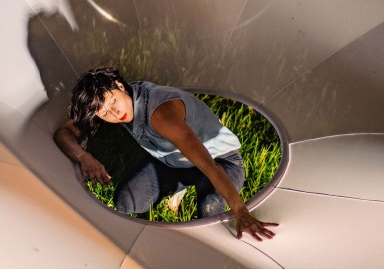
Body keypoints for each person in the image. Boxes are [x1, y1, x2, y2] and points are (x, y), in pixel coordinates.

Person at [53, 66, 278, 241]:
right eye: (104, 113)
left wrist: (241, 212)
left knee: (208, 211)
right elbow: (63, 134)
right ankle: (182, 187)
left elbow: (209, 166)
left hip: (220, 161)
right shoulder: (115, 102)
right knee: (125, 201)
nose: (115, 112)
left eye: (113, 101)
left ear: (120, 86)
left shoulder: (160, 114)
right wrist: (84, 157)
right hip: (174, 164)